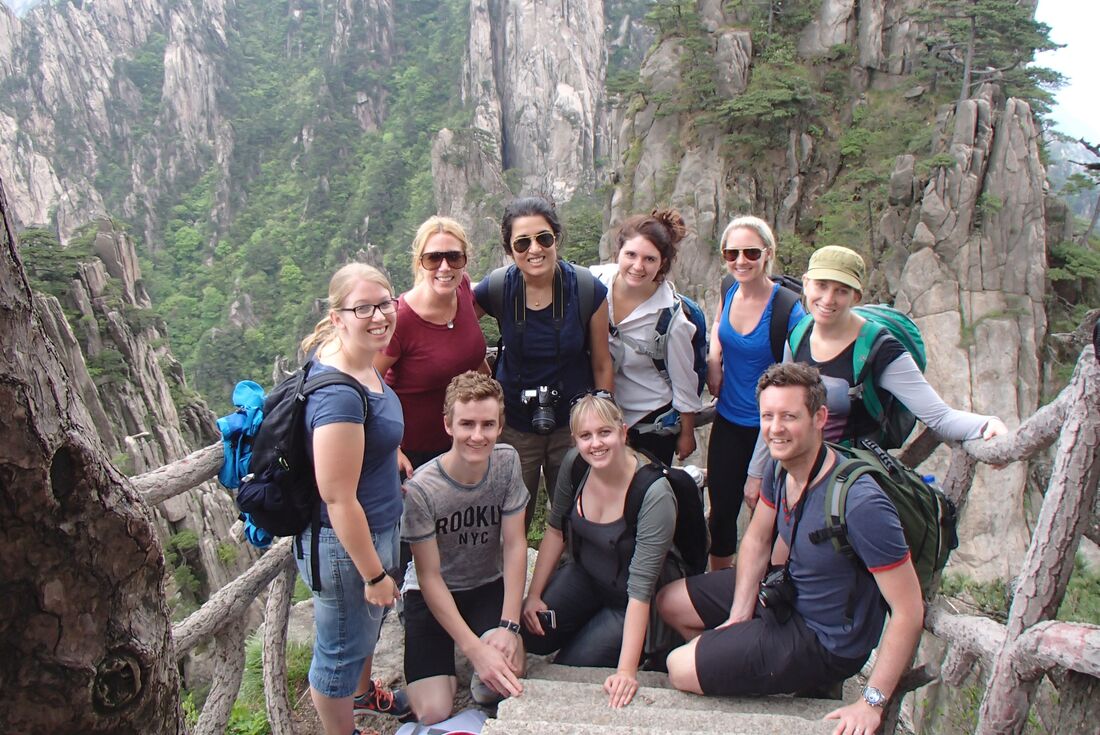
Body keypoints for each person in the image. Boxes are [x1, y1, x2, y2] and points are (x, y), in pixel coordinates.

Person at [657, 363, 925, 734]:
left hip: (824, 637)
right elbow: (758, 538)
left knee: (678, 667)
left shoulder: (860, 503)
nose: (775, 428)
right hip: (785, 592)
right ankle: (737, 664)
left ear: (820, 418)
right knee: (669, 601)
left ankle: (746, 669)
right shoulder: (781, 466)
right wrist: (738, 615)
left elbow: (909, 609)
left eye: (789, 416)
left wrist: (871, 703)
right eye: (768, 416)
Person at [744, 245, 1007, 484]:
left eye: (841, 290)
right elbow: (776, 405)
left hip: (851, 480)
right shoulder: (800, 332)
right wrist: (756, 473)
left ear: (856, 296)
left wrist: (985, 425)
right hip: (797, 468)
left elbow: (938, 416)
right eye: (821, 285)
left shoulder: (879, 349)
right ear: (806, 284)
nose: (828, 299)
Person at [296, 263, 412, 735]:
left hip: (375, 525)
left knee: (361, 634)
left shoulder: (360, 358)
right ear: (337, 315)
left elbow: (368, 433)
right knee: (338, 654)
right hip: (346, 550)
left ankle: (363, 697)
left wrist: (391, 453)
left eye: (385, 303)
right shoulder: (339, 396)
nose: (379, 315)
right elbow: (338, 497)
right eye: (362, 307)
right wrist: (374, 574)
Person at [521, 392, 678, 709]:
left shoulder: (652, 493)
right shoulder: (576, 465)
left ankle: (644, 648)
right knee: (531, 636)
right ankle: (582, 621)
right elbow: (555, 530)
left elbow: (642, 589)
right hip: (585, 576)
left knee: (570, 666)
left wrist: (625, 671)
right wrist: (534, 594)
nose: (596, 444)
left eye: (604, 432)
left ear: (622, 432)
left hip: (628, 600)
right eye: (586, 436)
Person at [474, 196, 614, 530]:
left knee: (578, 515)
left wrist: (603, 420)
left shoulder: (585, 289)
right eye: (522, 243)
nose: (534, 249)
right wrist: (481, 374)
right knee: (510, 518)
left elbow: (602, 361)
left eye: (543, 238)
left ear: (556, 238)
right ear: (510, 250)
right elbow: (455, 326)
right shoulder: (497, 288)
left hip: (573, 424)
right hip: (514, 425)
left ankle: (573, 579)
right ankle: (512, 581)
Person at [400, 372, 529, 724]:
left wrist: (509, 625)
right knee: (433, 710)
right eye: (467, 424)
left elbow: (516, 545)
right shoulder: (423, 489)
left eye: (488, 425)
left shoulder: (506, 462)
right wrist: (474, 651)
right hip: (432, 591)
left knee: (501, 682)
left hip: (486, 583)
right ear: (448, 425)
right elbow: (428, 576)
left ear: (501, 425)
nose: (477, 435)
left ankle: (475, 657)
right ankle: (436, 656)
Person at [705, 216, 806, 570]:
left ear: (767, 254)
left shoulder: (787, 309)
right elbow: (718, 325)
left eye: (750, 252)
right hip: (730, 421)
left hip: (774, 432)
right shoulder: (728, 288)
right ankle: (719, 587)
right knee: (721, 513)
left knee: (770, 514)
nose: (740, 261)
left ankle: (768, 588)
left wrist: (757, 470)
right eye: (731, 253)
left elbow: (796, 383)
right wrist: (714, 359)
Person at [376, 216, 488, 477]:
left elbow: (467, 350)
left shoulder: (462, 288)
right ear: (420, 262)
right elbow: (367, 384)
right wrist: (391, 448)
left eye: (454, 257)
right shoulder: (401, 318)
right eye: (433, 258)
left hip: (465, 439)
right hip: (415, 453)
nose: (445, 267)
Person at [590, 209, 702, 465]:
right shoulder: (596, 283)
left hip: (650, 422)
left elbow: (684, 381)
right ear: (618, 251)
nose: (638, 266)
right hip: (603, 418)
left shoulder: (671, 318)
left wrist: (686, 434)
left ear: (662, 262)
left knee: (645, 496)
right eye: (631, 255)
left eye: (649, 259)